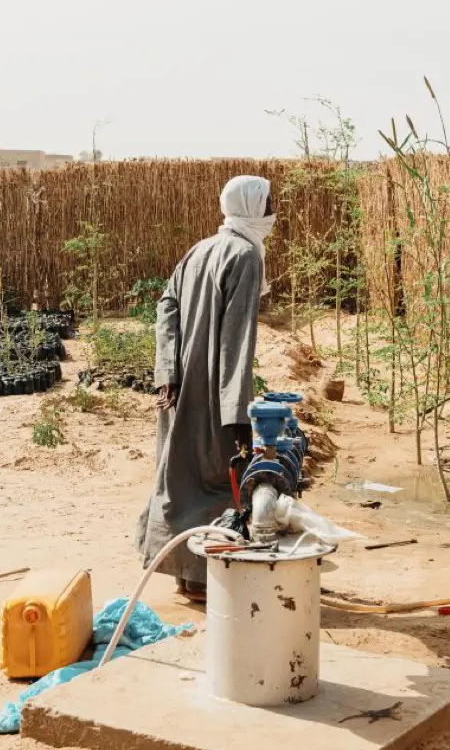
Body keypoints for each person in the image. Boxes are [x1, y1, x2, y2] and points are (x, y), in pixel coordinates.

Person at [134, 175, 275, 602]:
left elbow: (166, 306)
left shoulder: (201, 249)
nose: (273, 212)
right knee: (216, 480)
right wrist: (237, 414)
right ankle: (201, 578)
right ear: (252, 208)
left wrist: (167, 374)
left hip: (178, 387)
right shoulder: (245, 255)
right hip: (213, 392)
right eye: (268, 203)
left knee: (178, 478)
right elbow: (235, 341)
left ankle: (182, 572)